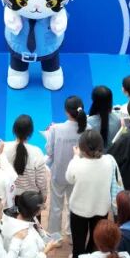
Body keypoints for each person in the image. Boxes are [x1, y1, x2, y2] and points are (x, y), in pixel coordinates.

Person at [65, 130, 117, 258]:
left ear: (81, 148)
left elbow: (69, 179)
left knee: (78, 241)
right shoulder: (109, 161)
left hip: (79, 209)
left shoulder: (76, 164)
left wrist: (75, 157)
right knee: (95, 240)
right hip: (101, 207)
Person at [46, 95, 88, 238]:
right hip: (78, 175)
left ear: (66, 111)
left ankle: (55, 237)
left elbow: (49, 151)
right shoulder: (88, 129)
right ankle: (71, 234)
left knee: (56, 206)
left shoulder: (56, 129)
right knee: (74, 205)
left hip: (59, 173)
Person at [87, 85, 122, 150]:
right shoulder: (118, 118)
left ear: (94, 101)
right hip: (116, 154)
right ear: (110, 100)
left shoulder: (88, 122)